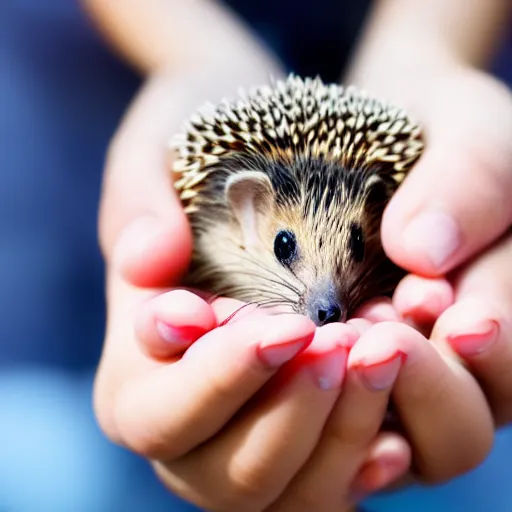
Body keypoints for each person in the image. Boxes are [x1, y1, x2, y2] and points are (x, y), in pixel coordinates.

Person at [84, 0, 512, 510]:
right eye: (287, 247)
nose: (328, 301)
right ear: (246, 210)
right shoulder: (214, 223)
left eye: (354, 246)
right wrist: (190, 55)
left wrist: (431, 50)